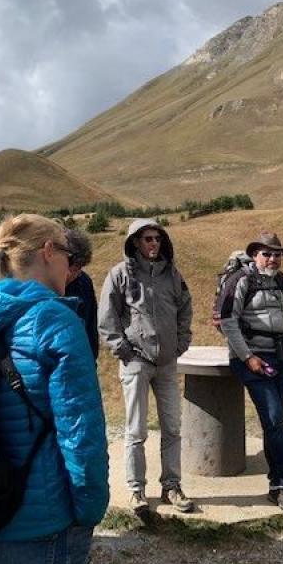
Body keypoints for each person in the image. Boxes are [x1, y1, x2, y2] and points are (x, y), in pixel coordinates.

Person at [0, 214, 109, 564]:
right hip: (43, 522)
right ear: (49, 251)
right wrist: (90, 508)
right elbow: (80, 431)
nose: (70, 266)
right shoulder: (54, 319)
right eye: (67, 255)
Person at [219, 231, 283, 515]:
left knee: (274, 423)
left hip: (280, 358)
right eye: (267, 253)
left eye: (277, 254)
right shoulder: (241, 281)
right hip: (252, 359)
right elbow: (228, 321)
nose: (273, 259)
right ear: (254, 255)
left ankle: (277, 489)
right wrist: (247, 357)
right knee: (275, 418)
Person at [98, 218, 193, 514]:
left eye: (157, 239)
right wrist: (121, 348)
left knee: (173, 427)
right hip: (136, 361)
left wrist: (180, 343)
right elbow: (107, 317)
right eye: (148, 239)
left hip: (166, 362)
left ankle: (172, 487)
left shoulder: (172, 275)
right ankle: (137, 491)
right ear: (136, 242)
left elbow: (185, 308)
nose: (154, 244)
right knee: (136, 430)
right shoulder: (119, 274)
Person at [64, 228, 99, 360]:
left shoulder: (83, 282)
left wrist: (92, 359)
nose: (77, 274)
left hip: (82, 359)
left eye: (80, 268)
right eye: (75, 269)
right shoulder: (41, 285)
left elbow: (90, 325)